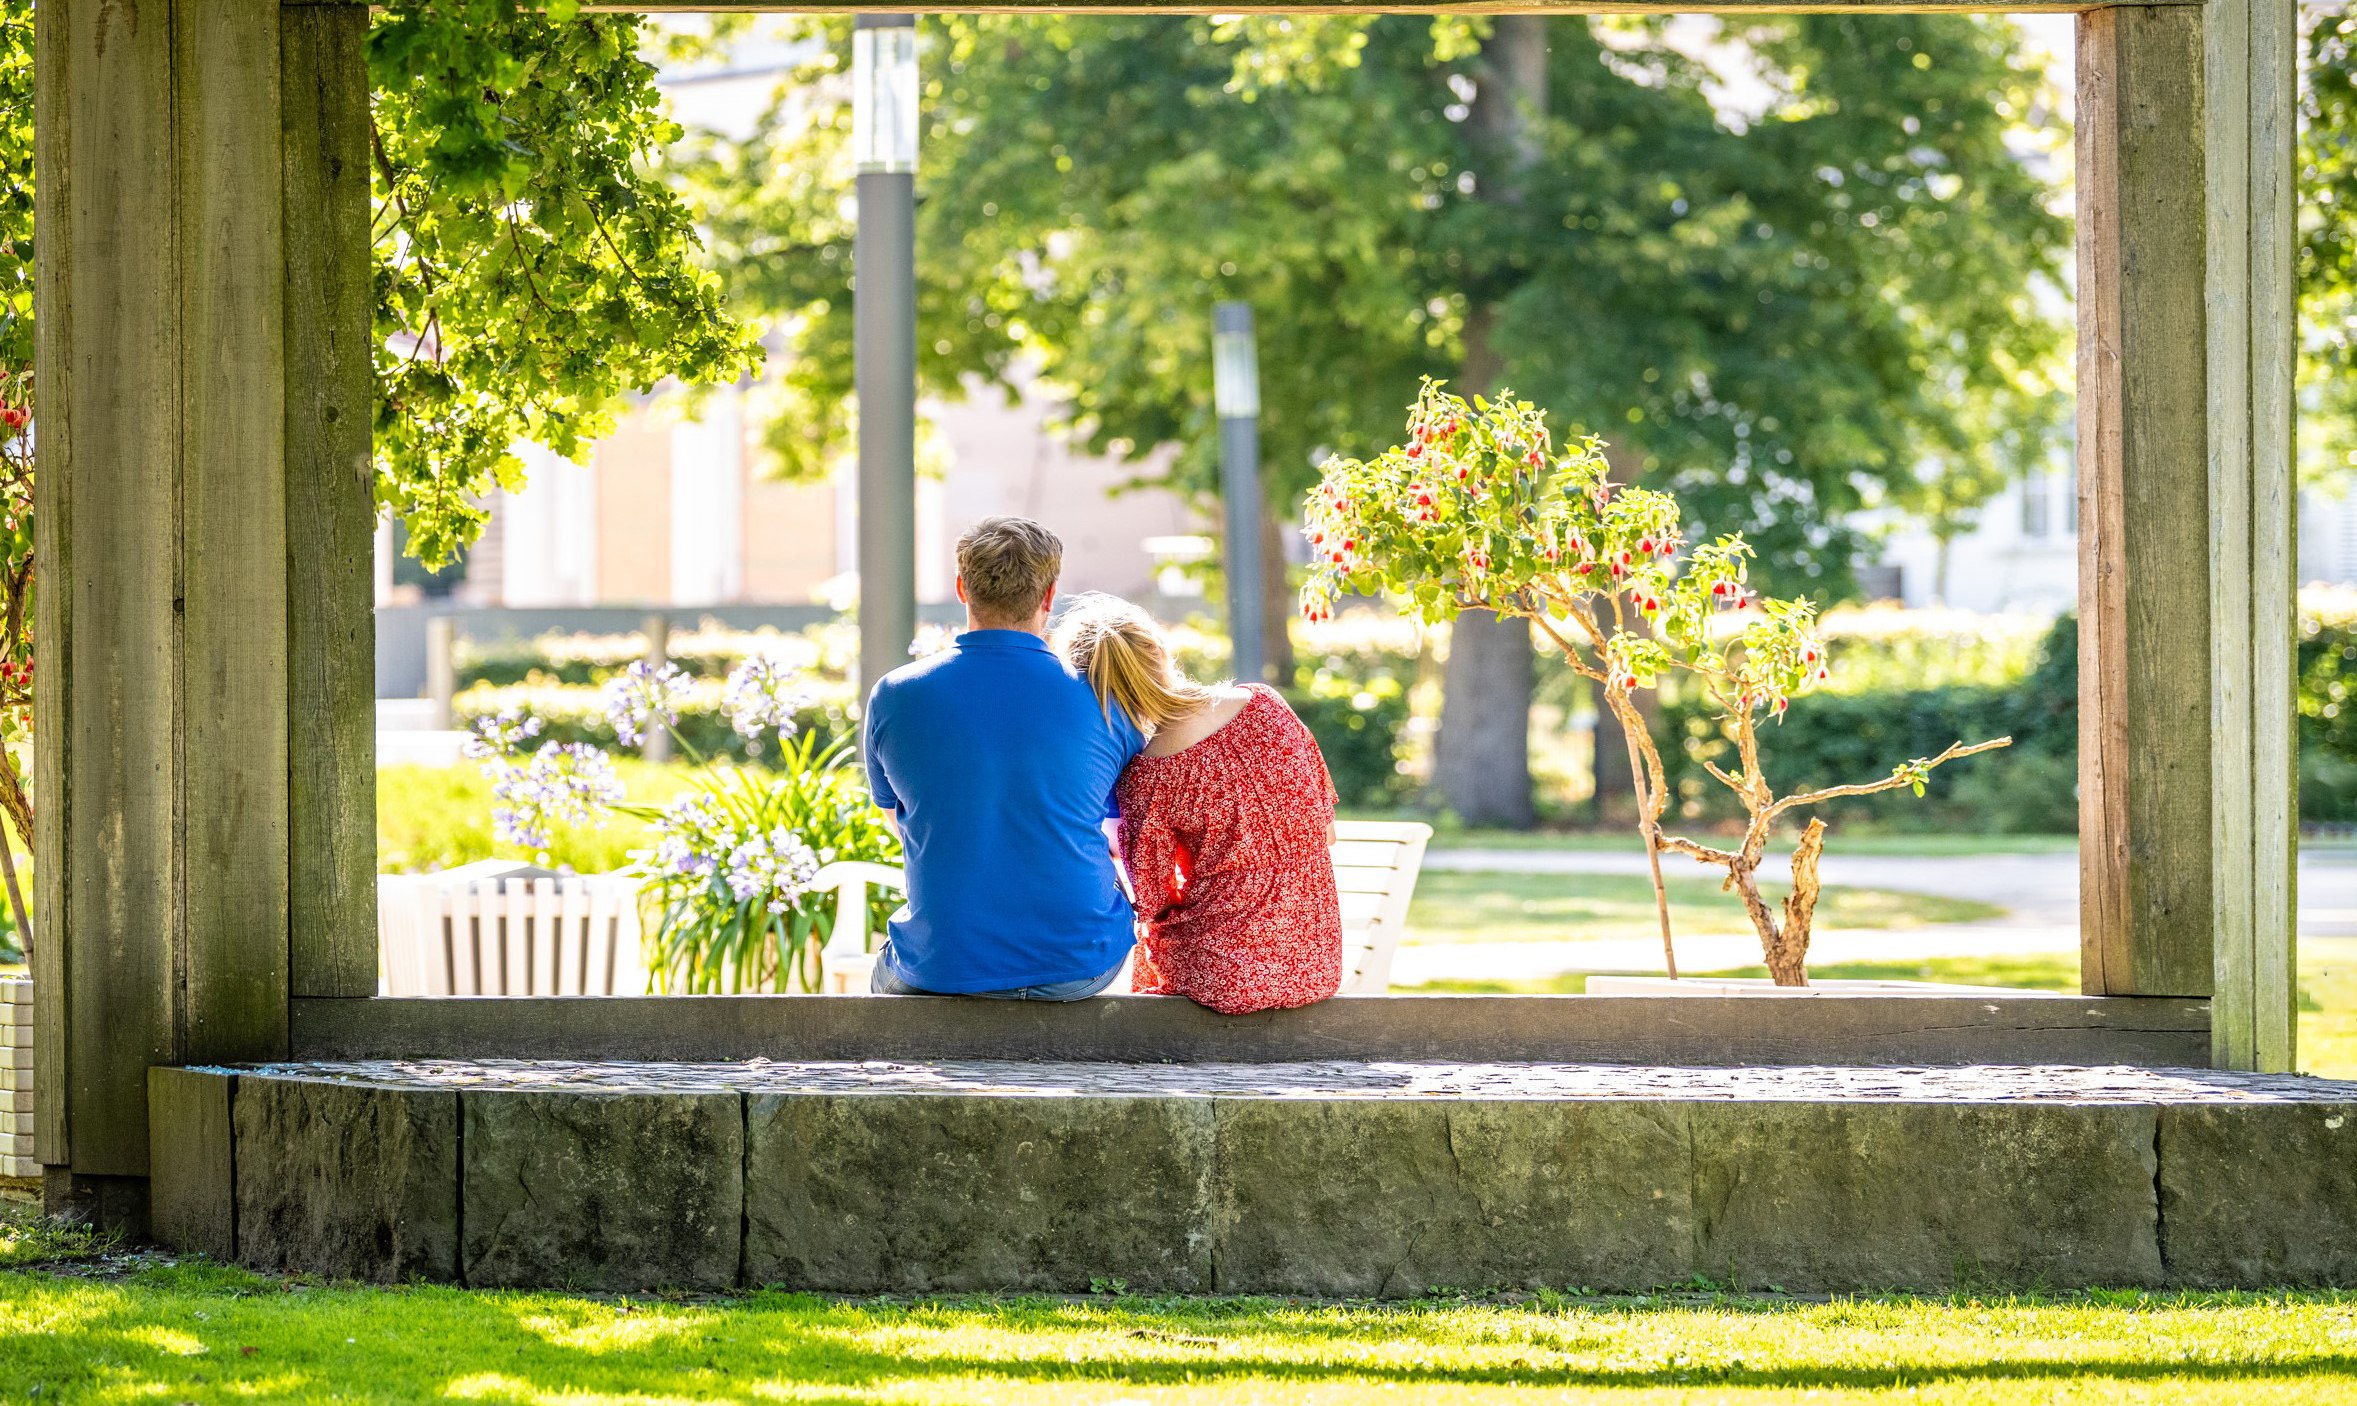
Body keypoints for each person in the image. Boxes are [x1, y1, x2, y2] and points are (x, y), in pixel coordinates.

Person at [862, 518, 1144, 999]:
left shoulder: (894, 695)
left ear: (961, 588)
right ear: (1050, 595)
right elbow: (1124, 831)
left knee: (884, 976)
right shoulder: (1106, 700)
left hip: (944, 966)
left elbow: (903, 818)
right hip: (1078, 967)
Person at [1054, 594, 1343, 1015]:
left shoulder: (1149, 772)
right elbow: (1324, 831)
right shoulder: (1268, 705)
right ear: (1162, 649)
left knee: (1152, 943)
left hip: (1222, 973)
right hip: (1314, 961)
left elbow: (1152, 899)